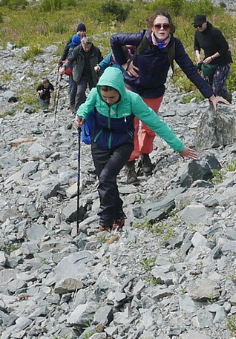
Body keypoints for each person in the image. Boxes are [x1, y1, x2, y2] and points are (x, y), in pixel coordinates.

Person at [74, 65, 198, 232]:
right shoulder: (96, 95)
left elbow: (156, 123)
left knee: (105, 178)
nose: (108, 100)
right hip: (99, 142)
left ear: (120, 90)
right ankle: (118, 215)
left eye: (112, 97)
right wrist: (80, 117)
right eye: (105, 97)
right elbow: (84, 108)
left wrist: (179, 147)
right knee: (107, 180)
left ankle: (105, 222)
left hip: (123, 144)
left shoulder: (132, 100)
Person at [110, 11, 227, 183]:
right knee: (130, 127)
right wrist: (124, 63)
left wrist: (210, 95)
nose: (162, 29)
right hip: (132, 87)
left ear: (170, 28)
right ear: (152, 27)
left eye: (166, 26)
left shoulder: (175, 45)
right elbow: (114, 39)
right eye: (158, 25)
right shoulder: (141, 38)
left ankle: (145, 155)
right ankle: (130, 167)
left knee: (149, 127)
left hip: (154, 91)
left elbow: (191, 71)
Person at [193, 13, 233, 102]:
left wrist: (212, 57)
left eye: (200, 25)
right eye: (196, 26)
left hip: (222, 61)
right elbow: (196, 46)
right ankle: (214, 104)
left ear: (205, 23)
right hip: (209, 63)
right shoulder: (197, 33)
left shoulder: (214, 32)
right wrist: (198, 55)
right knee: (207, 87)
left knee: (217, 87)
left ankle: (226, 97)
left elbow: (225, 47)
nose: (198, 27)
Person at [64, 33, 102, 111]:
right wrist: (64, 67)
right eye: (85, 47)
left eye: (88, 47)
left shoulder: (96, 51)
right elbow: (70, 59)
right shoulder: (77, 50)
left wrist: (100, 75)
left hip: (92, 74)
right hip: (81, 74)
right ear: (82, 44)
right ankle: (77, 110)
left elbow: (101, 62)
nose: (86, 49)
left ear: (91, 45)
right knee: (80, 92)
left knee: (95, 92)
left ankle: (97, 109)